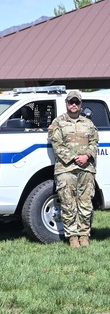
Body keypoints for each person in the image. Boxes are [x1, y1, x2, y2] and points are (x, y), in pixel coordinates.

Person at [48, 89, 99, 248]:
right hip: (65, 169)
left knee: (85, 203)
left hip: (86, 168)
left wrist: (87, 156)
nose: (74, 105)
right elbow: (57, 144)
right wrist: (74, 158)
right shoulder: (58, 123)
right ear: (66, 104)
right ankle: (72, 237)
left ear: (81, 104)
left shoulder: (88, 123)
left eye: (77, 102)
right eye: (71, 102)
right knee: (68, 203)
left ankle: (84, 235)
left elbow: (94, 142)